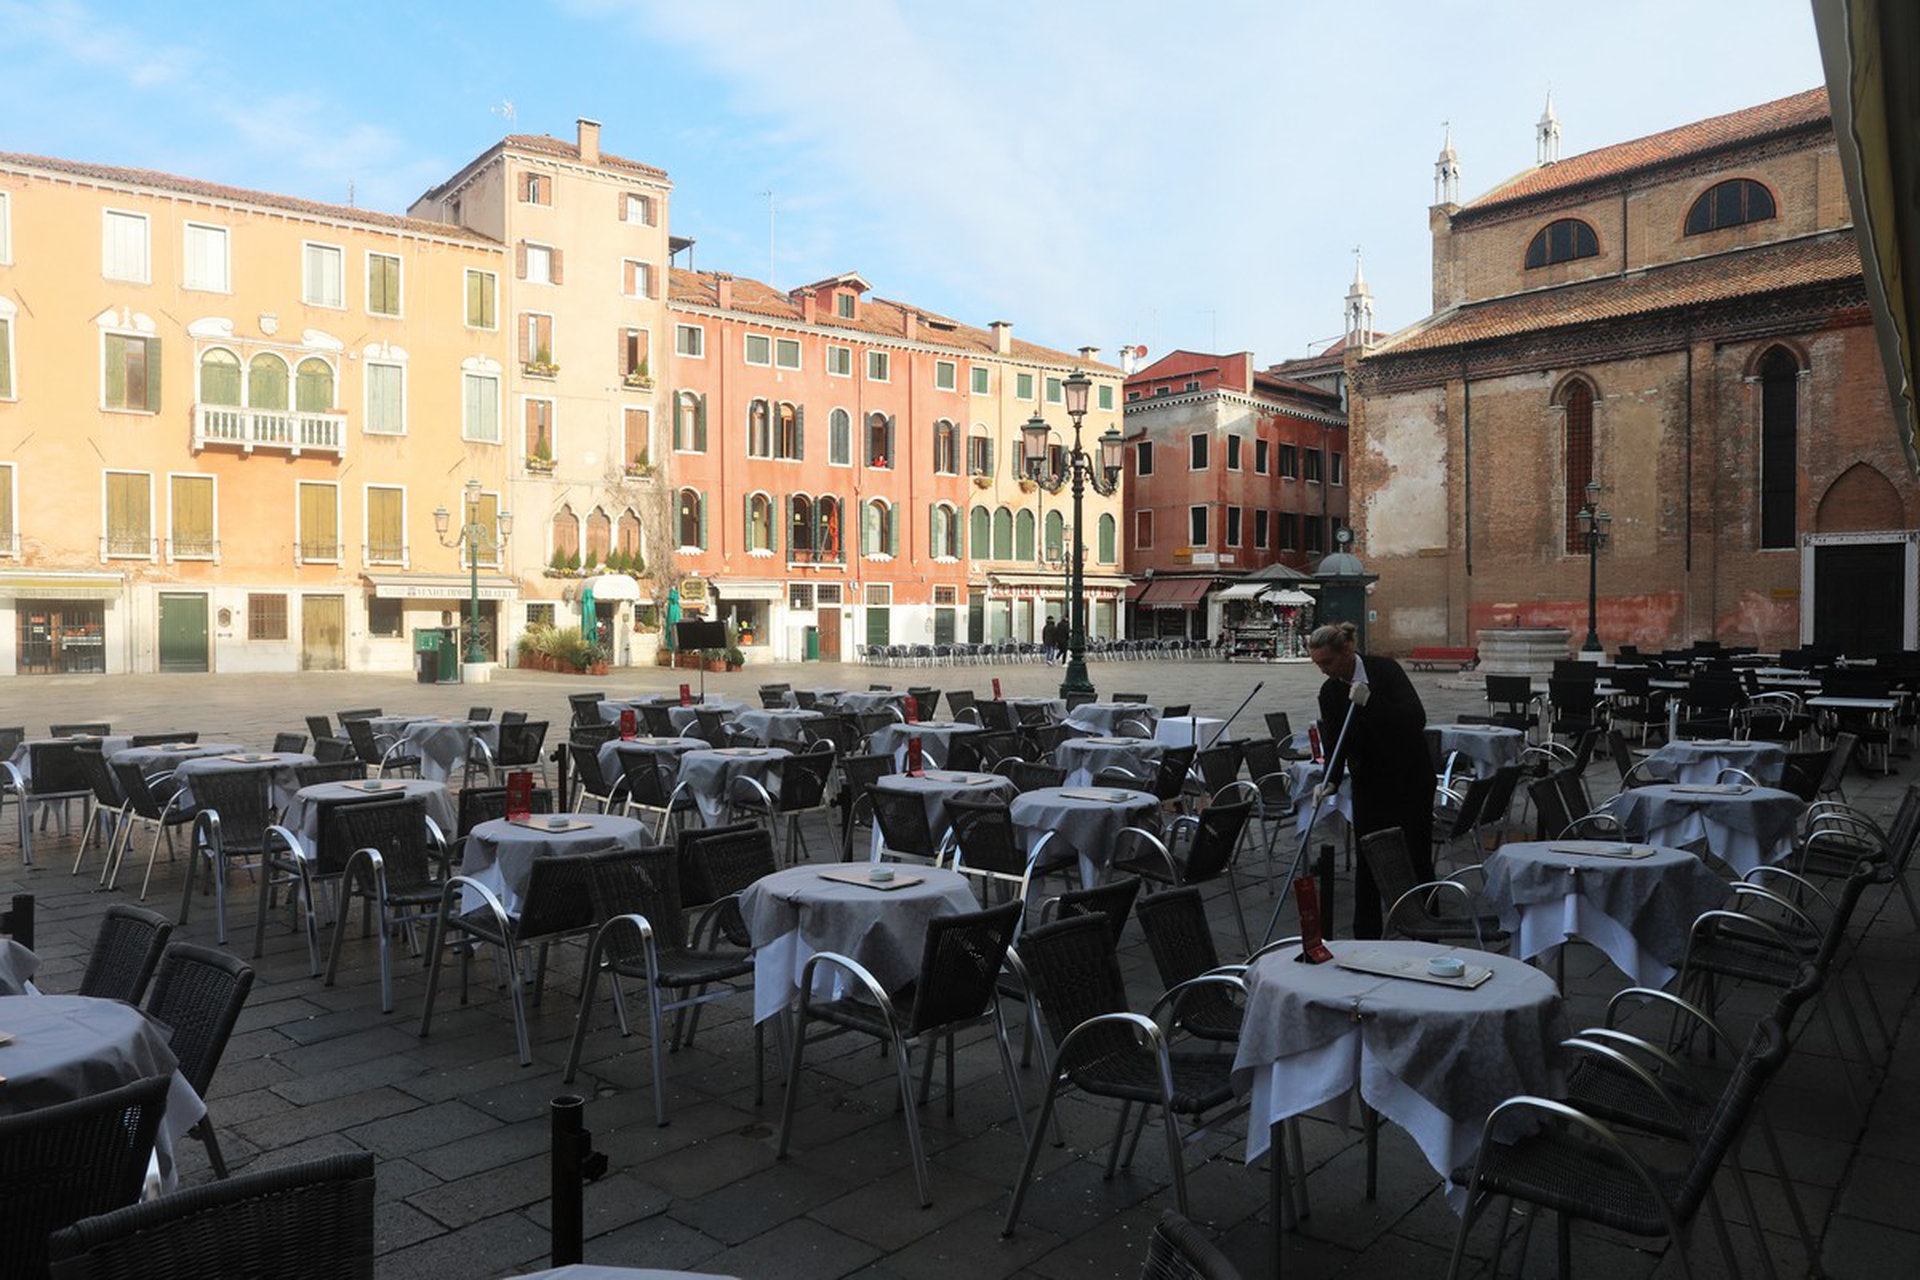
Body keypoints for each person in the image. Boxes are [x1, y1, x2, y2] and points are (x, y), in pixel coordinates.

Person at [1308, 621, 1434, 938]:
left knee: (1416, 856)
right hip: (1370, 783)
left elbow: (1415, 719)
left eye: (1328, 662)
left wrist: (1372, 702)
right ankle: (1365, 936)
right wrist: (1330, 780)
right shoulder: (1330, 691)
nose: (1324, 670)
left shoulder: (1384, 670)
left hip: (1410, 779)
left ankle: (1428, 929)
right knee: (1368, 860)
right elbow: (1337, 741)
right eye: (1318, 664)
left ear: (1347, 651)